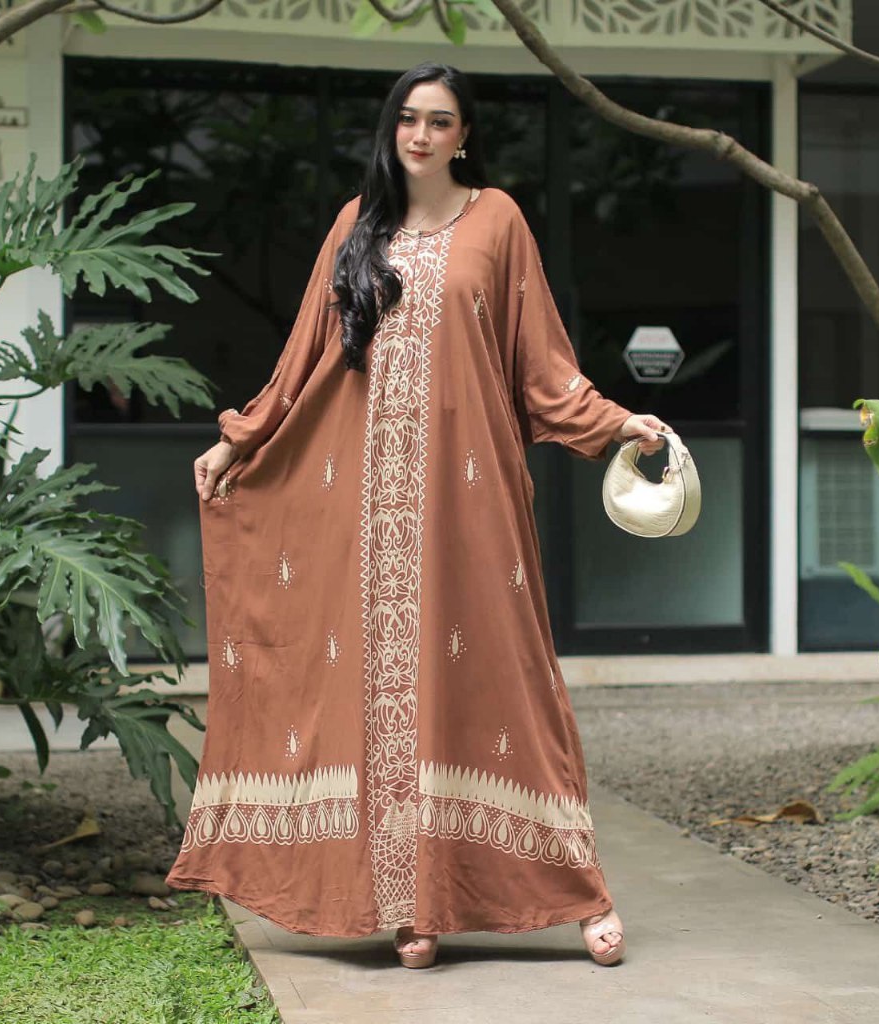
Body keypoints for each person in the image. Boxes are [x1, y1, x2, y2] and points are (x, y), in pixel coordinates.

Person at [165, 61, 668, 970]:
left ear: (464, 135)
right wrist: (241, 440)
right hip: (360, 504)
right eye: (408, 118)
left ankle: (578, 890)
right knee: (374, 689)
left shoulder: (498, 220)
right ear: (390, 128)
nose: (421, 135)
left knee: (506, 681)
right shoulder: (357, 225)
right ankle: (411, 905)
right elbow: (303, 356)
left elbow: (542, 366)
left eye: (439, 121)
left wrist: (614, 423)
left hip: (469, 502)